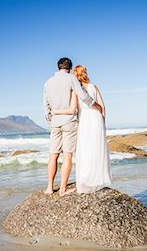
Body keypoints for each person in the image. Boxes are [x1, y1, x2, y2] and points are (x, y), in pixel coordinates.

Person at [43, 58, 102, 196]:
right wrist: (96, 105)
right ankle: (63, 189)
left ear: (58, 67)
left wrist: (51, 120)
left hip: (55, 123)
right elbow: (83, 95)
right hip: (69, 121)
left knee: (53, 155)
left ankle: (49, 188)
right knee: (67, 155)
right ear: (69, 68)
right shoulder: (71, 78)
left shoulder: (48, 83)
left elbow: (45, 107)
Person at [51, 65, 112, 193]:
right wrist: (103, 123)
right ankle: (98, 179)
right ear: (85, 73)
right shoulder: (94, 87)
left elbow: (72, 110)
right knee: (97, 148)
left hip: (84, 119)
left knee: (85, 149)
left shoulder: (75, 90)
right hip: (97, 119)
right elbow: (103, 107)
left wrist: (56, 111)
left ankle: (85, 179)